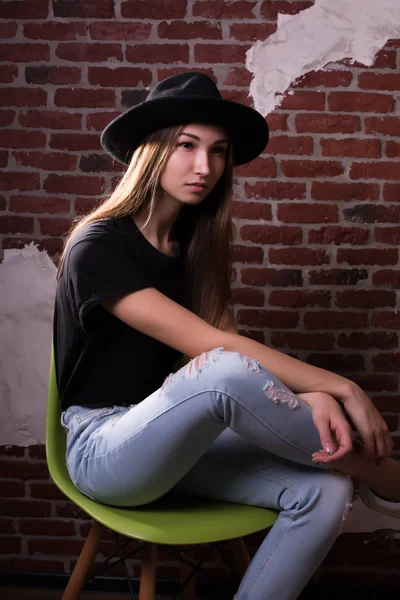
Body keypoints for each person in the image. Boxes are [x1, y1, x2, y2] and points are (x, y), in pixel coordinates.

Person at [54, 72, 400, 600]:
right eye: (186, 146)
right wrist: (342, 388)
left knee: (323, 491)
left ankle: (365, 478)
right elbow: (215, 355)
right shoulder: (96, 247)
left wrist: (305, 395)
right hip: (104, 449)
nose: (205, 167)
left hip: (181, 445)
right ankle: (385, 476)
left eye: (218, 152)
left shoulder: (193, 245)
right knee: (220, 369)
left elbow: (235, 358)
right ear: (151, 152)